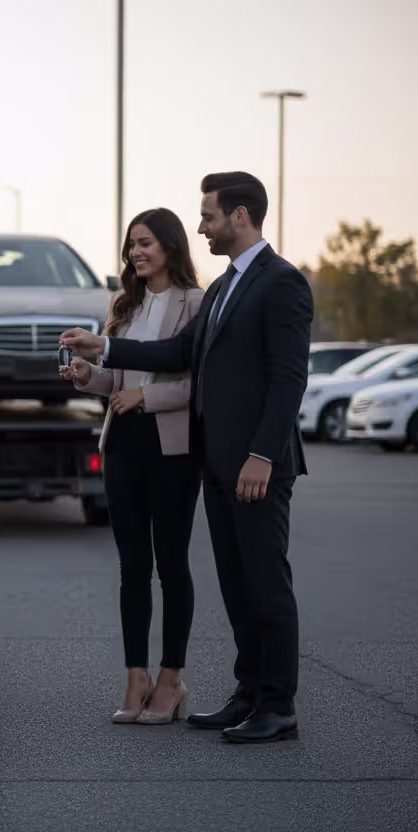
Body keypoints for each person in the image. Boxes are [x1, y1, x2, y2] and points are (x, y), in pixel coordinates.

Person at [61, 172, 312, 743]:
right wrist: (104, 347)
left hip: (255, 464)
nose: (202, 225)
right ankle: (248, 693)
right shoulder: (226, 288)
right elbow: (177, 352)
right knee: (236, 583)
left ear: (240, 216)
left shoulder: (282, 283)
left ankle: (279, 706)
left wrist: (261, 455)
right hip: (218, 463)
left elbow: (288, 378)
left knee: (267, 583)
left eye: (209, 216)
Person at [60, 208, 204, 725]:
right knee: (131, 566)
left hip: (172, 448)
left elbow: (195, 384)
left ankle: (171, 678)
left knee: (170, 562)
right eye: (131, 246)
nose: (136, 253)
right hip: (123, 444)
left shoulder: (196, 303)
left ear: (170, 245)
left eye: (145, 243)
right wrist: (87, 375)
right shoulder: (123, 304)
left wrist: (146, 396)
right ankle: (135, 676)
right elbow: (114, 382)